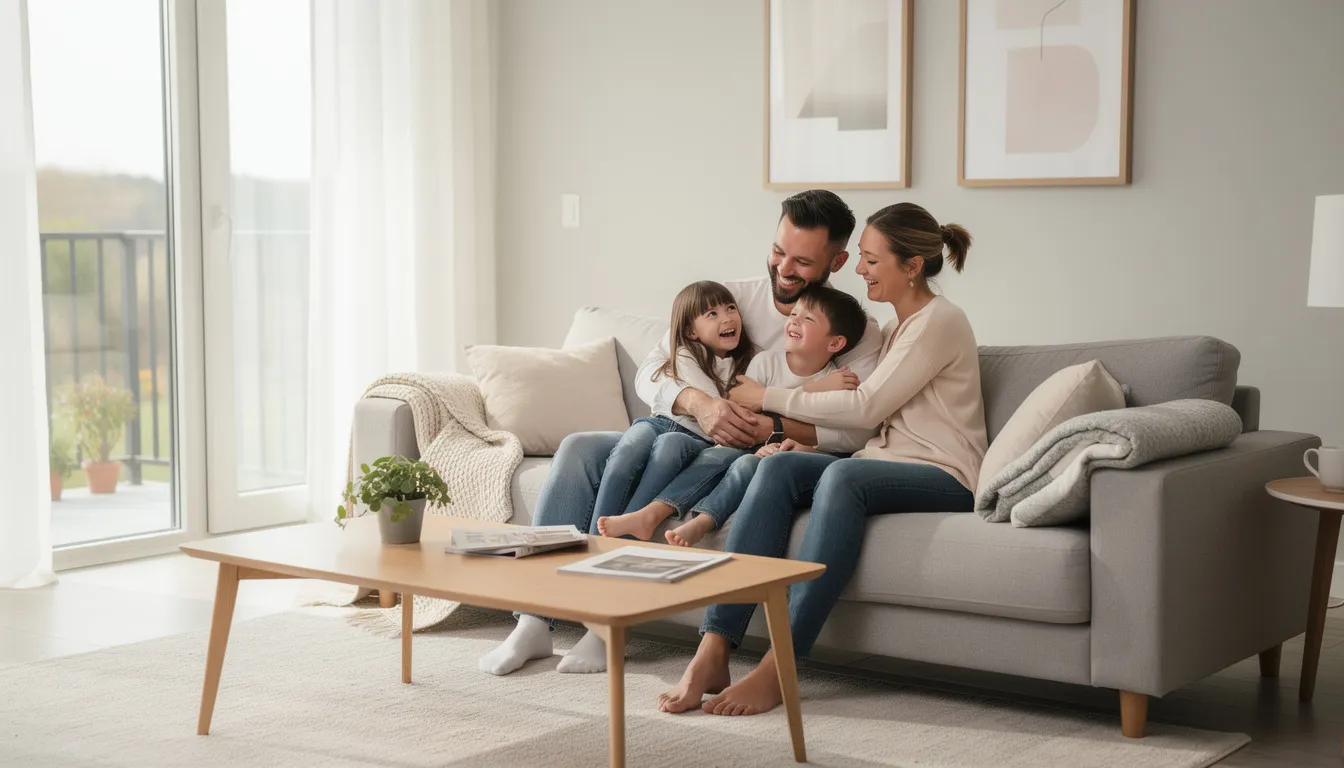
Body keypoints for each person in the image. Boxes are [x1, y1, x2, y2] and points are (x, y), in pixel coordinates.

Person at [477, 190, 883, 677]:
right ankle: (533, 619)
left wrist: (770, 424)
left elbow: (853, 428)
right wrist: (702, 403)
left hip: (742, 451)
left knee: (671, 450)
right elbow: (653, 370)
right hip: (687, 425)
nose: (784, 268)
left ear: (838, 260)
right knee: (580, 446)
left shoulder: (854, 328)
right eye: (778, 251)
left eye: (802, 261)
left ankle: (605, 619)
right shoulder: (728, 299)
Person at [657, 202, 988, 717]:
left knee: (843, 479)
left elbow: (865, 406)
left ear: (912, 266)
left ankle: (780, 666)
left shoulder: (938, 322)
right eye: (860, 258)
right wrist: (797, 441)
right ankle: (716, 645)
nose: (859, 270)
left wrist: (765, 397)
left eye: (872, 261)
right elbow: (870, 424)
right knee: (775, 466)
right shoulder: (901, 326)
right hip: (890, 461)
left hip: (945, 472)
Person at [599, 284, 869, 547]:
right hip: (739, 443)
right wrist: (813, 389)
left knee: (741, 465)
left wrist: (792, 445)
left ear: (835, 342)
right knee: (715, 455)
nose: (794, 321)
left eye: (807, 318)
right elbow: (741, 403)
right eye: (794, 314)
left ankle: (696, 520)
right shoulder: (766, 361)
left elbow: (835, 434)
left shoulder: (839, 382)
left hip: (768, 453)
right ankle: (648, 515)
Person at [587, 280, 755, 532]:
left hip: (692, 438)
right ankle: (596, 536)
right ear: (691, 332)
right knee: (629, 448)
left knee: (668, 447)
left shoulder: (746, 364)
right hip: (660, 423)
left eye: (731, 308)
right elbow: (714, 409)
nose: (728, 318)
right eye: (712, 314)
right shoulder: (687, 353)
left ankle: (630, 524)